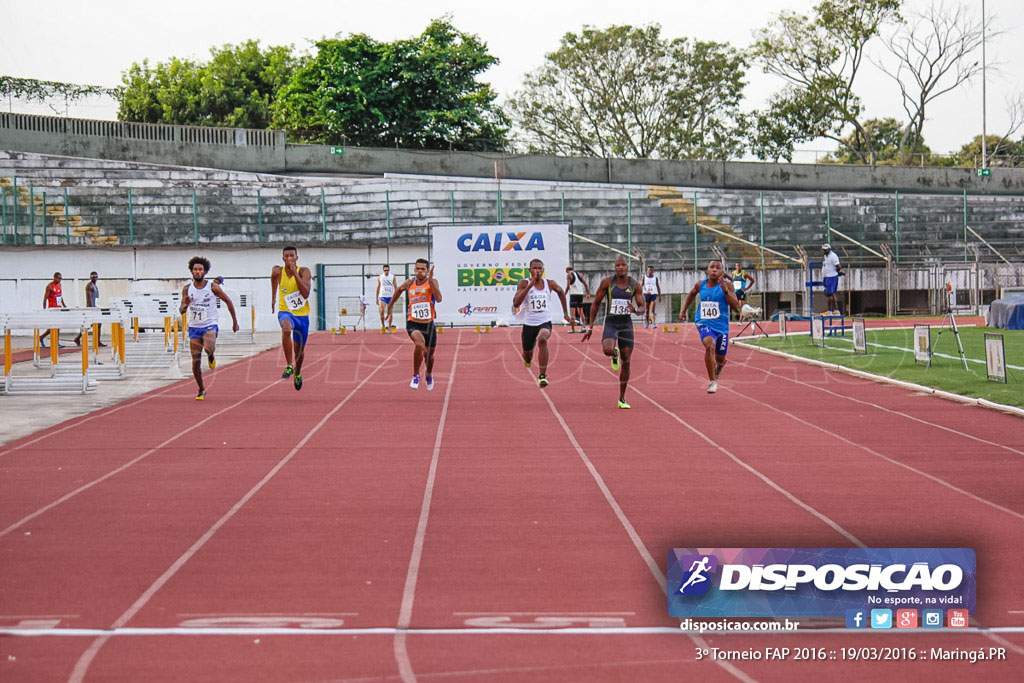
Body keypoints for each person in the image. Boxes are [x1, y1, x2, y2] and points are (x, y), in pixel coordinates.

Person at [581, 255, 645, 409]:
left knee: (627, 361)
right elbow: (595, 303)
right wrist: (590, 326)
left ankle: (622, 398)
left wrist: (635, 310)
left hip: (626, 325)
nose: (620, 268)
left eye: (623, 265)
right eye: (618, 265)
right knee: (607, 350)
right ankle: (614, 354)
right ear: (614, 267)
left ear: (627, 266)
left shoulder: (634, 285)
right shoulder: (608, 282)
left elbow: (643, 307)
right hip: (611, 322)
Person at [180, 256, 239, 400]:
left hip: (209, 324)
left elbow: (228, 301)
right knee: (195, 362)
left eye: (200, 270)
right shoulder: (187, 289)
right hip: (194, 327)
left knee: (208, 347)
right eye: (195, 270)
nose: (197, 272)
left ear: (205, 271)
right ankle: (201, 389)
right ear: (191, 272)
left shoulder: (212, 287)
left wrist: (235, 322)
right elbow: (181, 311)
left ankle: (211, 355)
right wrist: (186, 304)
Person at [680, 260, 740, 394]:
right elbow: (691, 294)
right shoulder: (700, 284)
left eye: (717, 268)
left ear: (722, 272)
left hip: (721, 326)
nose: (714, 270)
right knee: (709, 344)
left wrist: (725, 291)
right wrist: (683, 311)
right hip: (704, 322)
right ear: (707, 270)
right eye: (711, 267)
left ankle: (720, 365)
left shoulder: (728, 285)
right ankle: (712, 381)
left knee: (720, 359)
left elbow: (736, 306)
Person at [512, 258, 571, 388]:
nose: (537, 271)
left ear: (543, 270)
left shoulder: (549, 283)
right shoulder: (523, 283)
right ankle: (527, 358)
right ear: (530, 270)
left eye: (539, 268)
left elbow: (561, 292)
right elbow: (516, 302)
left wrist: (565, 313)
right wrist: (529, 286)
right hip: (529, 325)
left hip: (544, 322)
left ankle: (542, 376)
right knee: (527, 356)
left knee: (542, 340)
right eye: (534, 268)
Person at [388, 258, 442, 391]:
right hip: (413, 323)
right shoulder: (409, 283)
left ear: (427, 271)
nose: (420, 272)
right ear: (414, 270)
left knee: (429, 356)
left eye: (423, 269)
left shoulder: (432, 282)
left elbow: (439, 298)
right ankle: (416, 375)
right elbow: (399, 290)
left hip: (429, 325)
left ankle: (428, 374)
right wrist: (390, 306)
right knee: (419, 345)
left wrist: (431, 281)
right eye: (418, 269)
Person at [271, 245, 312, 390]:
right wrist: (273, 298)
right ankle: (289, 365)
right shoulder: (277, 271)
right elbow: (273, 279)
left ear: (296, 258)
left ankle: (298, 372)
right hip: (286, 311)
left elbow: (306, 293)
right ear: (283, 258)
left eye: (292, 256)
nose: (289, 259)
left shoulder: (304, 271)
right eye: (286, 256)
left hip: (302, 315)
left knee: (299, 352)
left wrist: (295, 273)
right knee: (286, 328)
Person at [73, 271, 105, 347]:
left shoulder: (95, 286)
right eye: (93, 277)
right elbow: (89, 298)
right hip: (91, 308)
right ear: (90, 277)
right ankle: (95, 341)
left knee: (94, 324)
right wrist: (92, 308)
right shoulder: (89, 286)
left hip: (95, 306)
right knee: (91, 324)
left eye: (95, 277)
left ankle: (96, 341)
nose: (94, 278)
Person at [39, 272, 66, 348]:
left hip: (58, 308)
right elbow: (45, 298)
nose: (60, 280)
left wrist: (64, 305)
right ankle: (55, 342)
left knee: (57, 326)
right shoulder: (50, 286)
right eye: (58, 278)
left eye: (61, 278)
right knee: (55, 326)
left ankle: (42, 337)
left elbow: (60, 296)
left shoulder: (59, 285)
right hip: (52, 308)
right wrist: (44, 309)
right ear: (54, 277)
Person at [565, 266, 590, 333]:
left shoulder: (569, 275)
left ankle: (573, 329)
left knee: (572, 313)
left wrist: (564, 294)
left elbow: (568, 286)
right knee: (580, 312)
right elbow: (585, 284)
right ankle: (583, 327)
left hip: (573, 295)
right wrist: (588, 293)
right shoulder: (579, 274)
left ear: (567, 271)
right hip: (580, 294)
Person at [821, 244, 844, 315]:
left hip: (831, 276)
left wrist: (837, 272)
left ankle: (829, 311)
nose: (824, 251)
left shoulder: (833, 256)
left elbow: (838, 266)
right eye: (823, 250)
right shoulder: (825, 256)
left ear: (829, 249)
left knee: (829, 294)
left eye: (825, 250)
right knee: (831, 293)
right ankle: (836, 310)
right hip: (827, 276)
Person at [376, 265, 396, 332]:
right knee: (381, 311)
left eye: (387, 270)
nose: (386, 272)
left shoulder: (392, 277)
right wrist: (376, 297)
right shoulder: (380, 277)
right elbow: (378, 287)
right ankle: (383, 326)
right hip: (382, 296)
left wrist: (396, 296)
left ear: (389, 270)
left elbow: (395, 287)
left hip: (390, 296)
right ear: (383, 270)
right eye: (385, 270)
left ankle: (389, 327)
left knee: (390, 312)